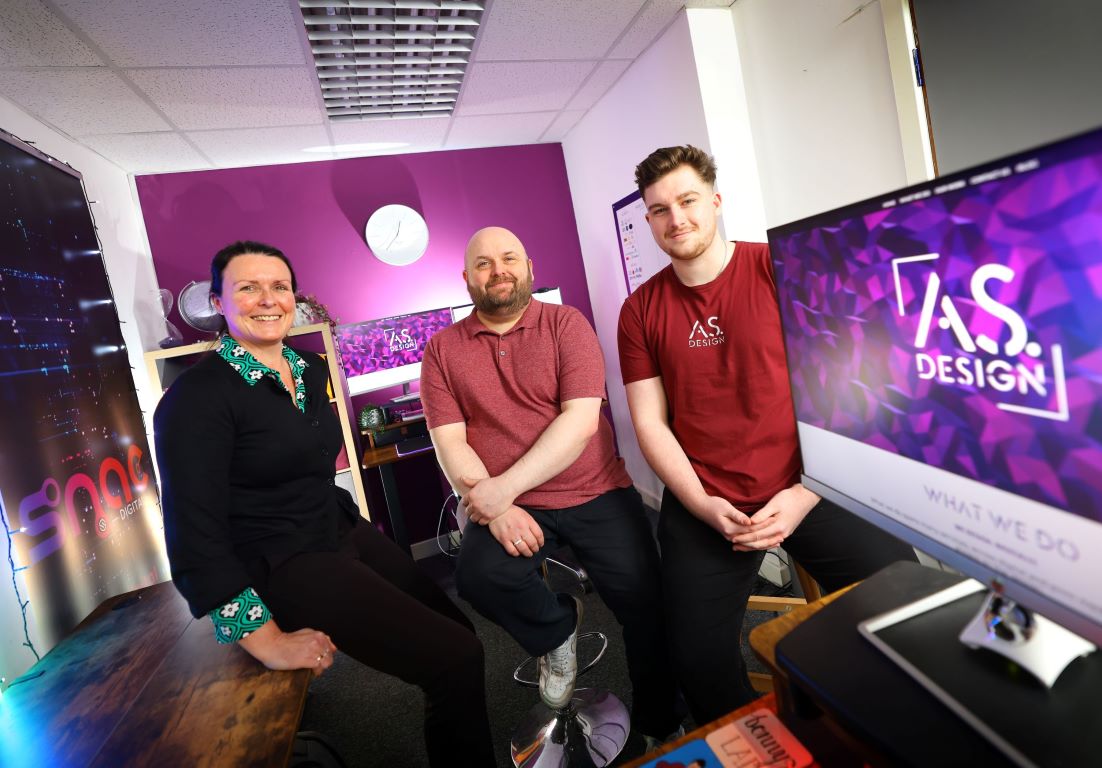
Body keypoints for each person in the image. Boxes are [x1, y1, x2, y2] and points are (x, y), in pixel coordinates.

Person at [153, 240, 495, 766]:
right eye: (248, 287)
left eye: (279, 287)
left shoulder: (308, 369)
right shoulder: (196, 398)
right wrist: (264, 638)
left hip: (336, 526)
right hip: (282, 558)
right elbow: (192, 537)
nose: (268, 299)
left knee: (460, 633)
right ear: (218, 303)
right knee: (456, 660)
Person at [617, 146, 918, 724]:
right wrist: (703, 505)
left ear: (716, 201)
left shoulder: (782, 268)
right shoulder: (640, 309)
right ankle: (773, 748)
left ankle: (863, 725)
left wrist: (807, 488)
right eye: (659, 210)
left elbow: (851, 387)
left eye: (687, 201)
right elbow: (649, 421)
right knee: (697, 662)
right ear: (648, 221)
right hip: (709, 502)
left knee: (906, 604)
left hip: (808, 483)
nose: (676, 219)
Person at [419, 226, 684, 746]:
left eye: (509, 257)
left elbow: (580, 423)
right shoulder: (442, 350)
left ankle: (662, 723)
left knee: (646, 606)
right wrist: (497, 506)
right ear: (466, 278)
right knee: (477, 577)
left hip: (595, 488)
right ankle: (557, 633)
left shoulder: (567, 324)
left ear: (529, 267)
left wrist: (500, 491)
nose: (498, 270)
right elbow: (450, 444)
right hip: (510, 503)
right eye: (484, 263)